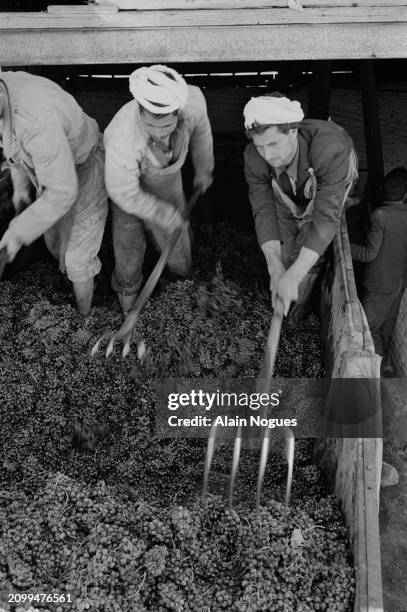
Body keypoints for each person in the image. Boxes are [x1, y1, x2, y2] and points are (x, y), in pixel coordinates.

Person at [104, 65, 214, 313]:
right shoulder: (122, 136)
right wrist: (163, 214)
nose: (161, 138)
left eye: (167, 128)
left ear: (178, 113)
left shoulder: (193, 103)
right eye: (152, 129)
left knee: (177, 244)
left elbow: (202, 131)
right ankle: (128, 311)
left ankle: (182, 294)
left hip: (166, 182)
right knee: (128, 247)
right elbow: (123, 193)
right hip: (127, 193)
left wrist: (204, 167)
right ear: (140, 112)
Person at [243, 92, 358, 322]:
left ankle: (299, 309)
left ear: (293, 130)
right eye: (261, 146)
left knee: (310, 240)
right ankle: (283, 296)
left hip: (330, 183)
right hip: (289, 188)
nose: (268, 154)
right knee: (286, 251)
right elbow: (264, 212)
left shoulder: (329, 149)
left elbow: (325, 221)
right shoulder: (254, 158)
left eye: (273, 144)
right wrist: (274, 268)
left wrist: (294, 276)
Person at [0, 71, 107, 315]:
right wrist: (20, 189)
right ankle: (74, 282)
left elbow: (62, 192)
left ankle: (84, 319)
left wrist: (17, 234)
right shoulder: (5, 90)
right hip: (52, 170)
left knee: (77, 258)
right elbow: (12, 146)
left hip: (87, 164)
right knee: (56, 242)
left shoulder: (36, 119)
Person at [351, 167, 407, 369]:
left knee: (369, 329)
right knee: (386, 328)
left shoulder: (380, 214)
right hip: (398, 284)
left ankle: (375, 375)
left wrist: (341, 247)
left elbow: (368, 254)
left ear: (383, 190)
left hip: (380, 285)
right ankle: (387, 365)